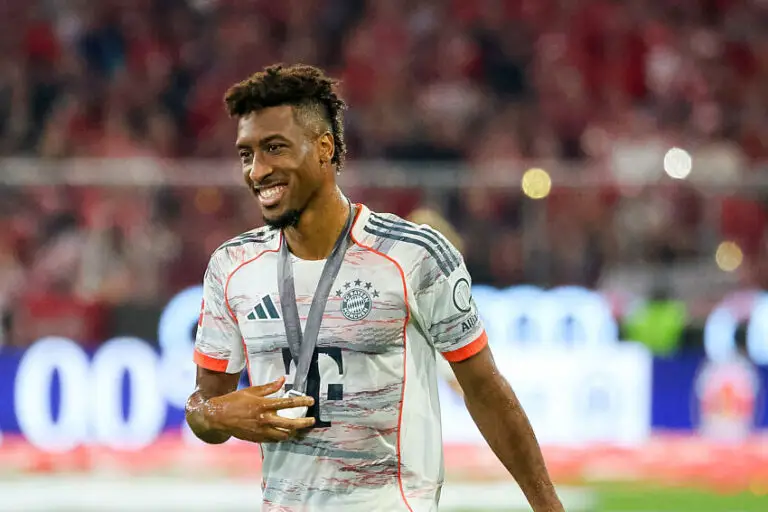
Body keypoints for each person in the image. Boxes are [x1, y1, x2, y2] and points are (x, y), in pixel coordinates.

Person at [185, 64, 563, 512]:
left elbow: (484, 390)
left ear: (324, 148)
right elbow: (206, 403)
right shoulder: (231, 266)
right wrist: (213, 414)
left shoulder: (413, 255)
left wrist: (548, 507)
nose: (257, 170)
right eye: (246, 154)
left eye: (274, 148)